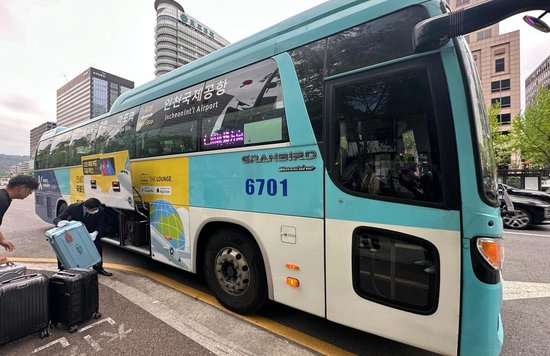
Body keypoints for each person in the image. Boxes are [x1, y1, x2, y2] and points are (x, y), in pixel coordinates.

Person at [53, 198, 113, 276]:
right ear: (86, 208)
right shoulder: (73, 208)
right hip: (74, 232)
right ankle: (62, 268)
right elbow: (57, 219)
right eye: (94, 210)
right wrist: (60, 222)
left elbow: (101, 224)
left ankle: (98, 268)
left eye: (97, 209)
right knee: (63, 246)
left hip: (90, 232)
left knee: (97, 244)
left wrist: (96, 232)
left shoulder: (100, 210)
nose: (96, 211)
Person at [0, 175, 39, 264]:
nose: (29, 194)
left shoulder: (4, 196)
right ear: (22, 188)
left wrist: (1, 240)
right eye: (30, 190)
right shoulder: (2, 199)